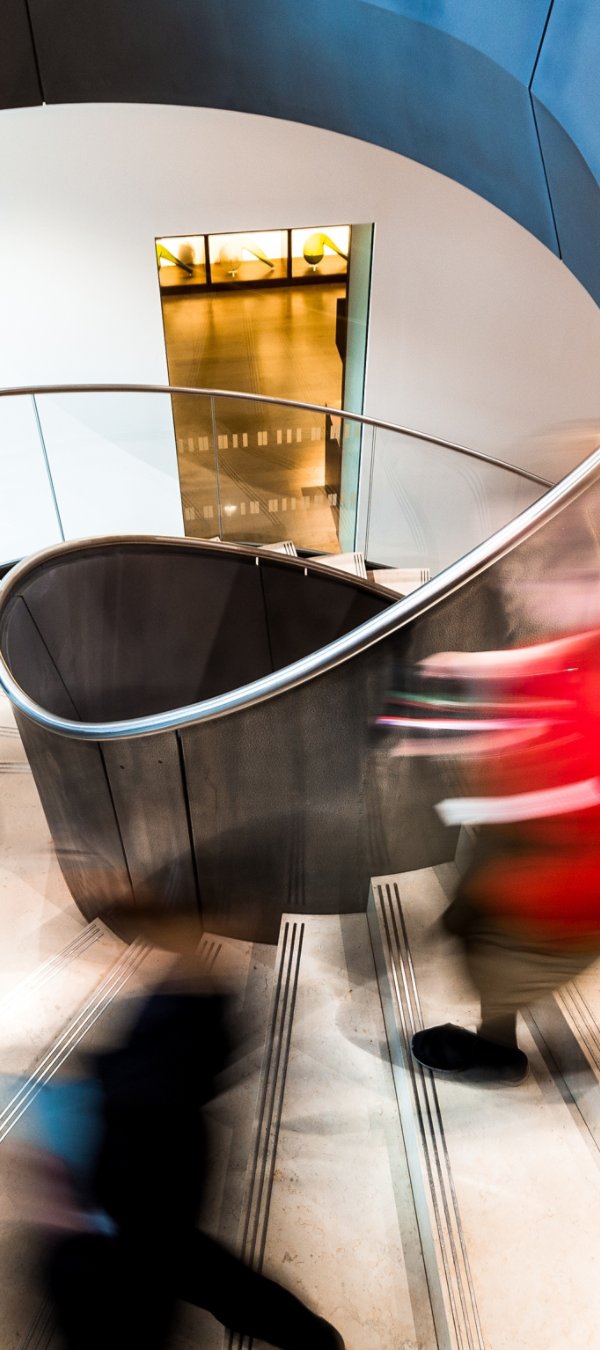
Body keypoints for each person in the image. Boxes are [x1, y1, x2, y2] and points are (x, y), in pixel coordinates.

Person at [40, 910, 345, 1349]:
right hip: (139, 1182)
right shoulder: (153, 1083)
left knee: (186, 1263)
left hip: (131, 1188)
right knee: (189, 1264)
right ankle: (305, 1333)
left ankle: (303, 1332)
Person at [408, 629, 600, 1084]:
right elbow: (571, 652)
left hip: (560, 894)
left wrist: (488, 805)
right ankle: (497, 1040)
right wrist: (469, 665)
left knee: (499, 950)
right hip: (535, 857)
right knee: (485, 931)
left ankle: (498, 1054)